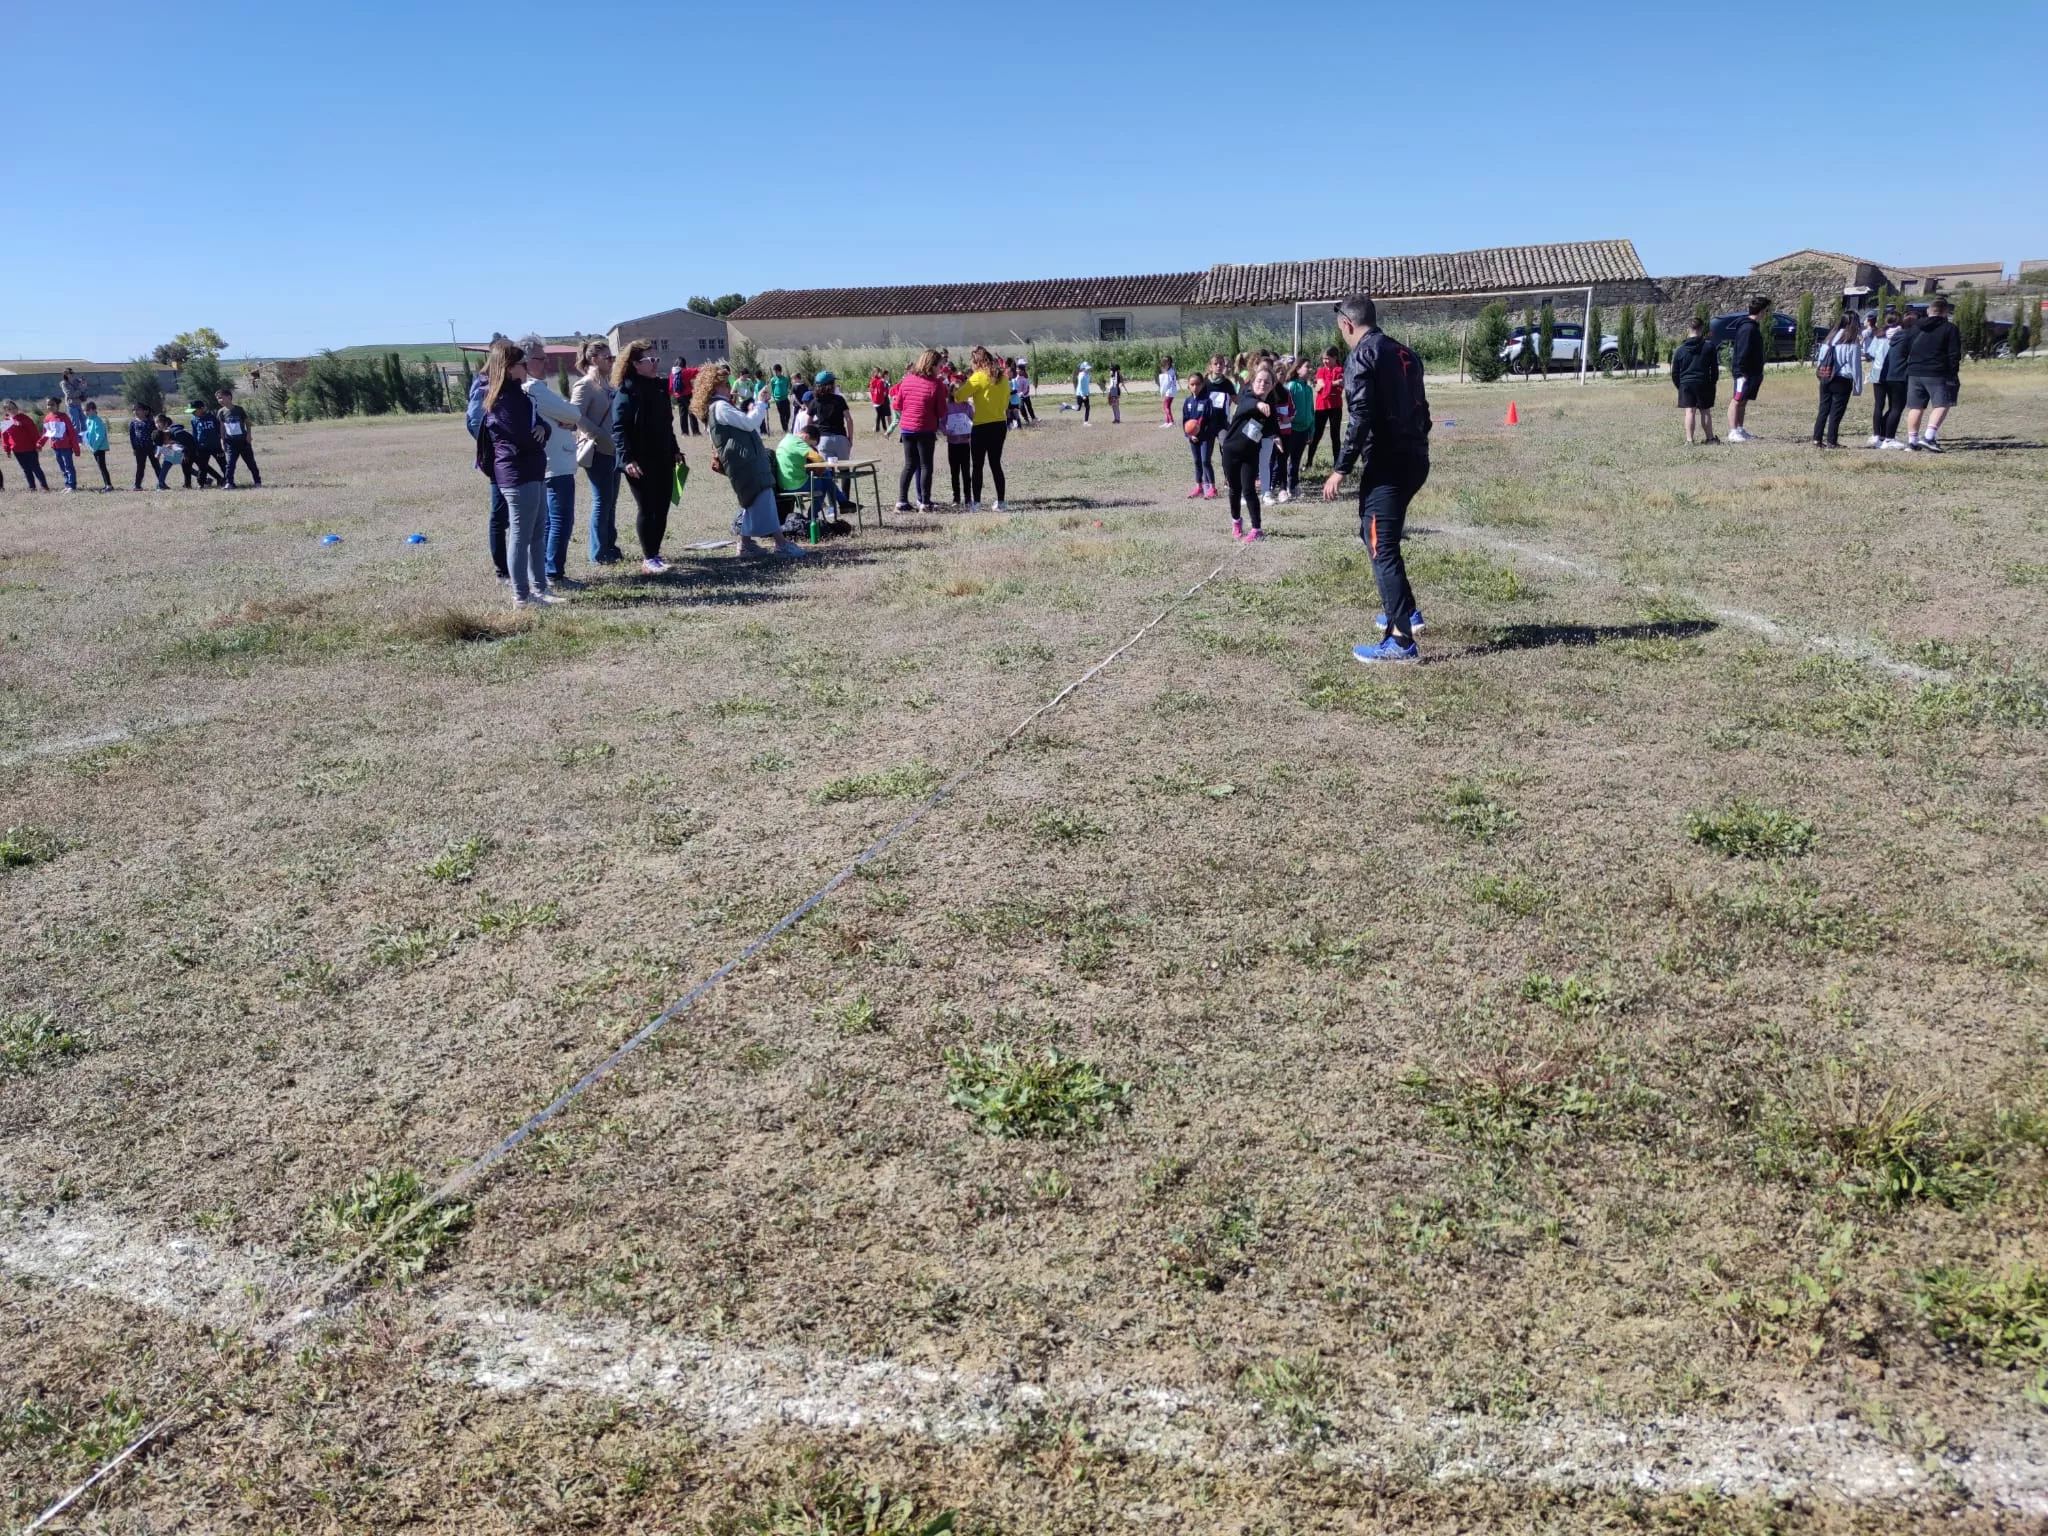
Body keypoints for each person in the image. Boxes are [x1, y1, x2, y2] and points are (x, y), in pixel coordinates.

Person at [1322, 295, 1431, 664]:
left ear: (1347, 324)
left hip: (1388, 464)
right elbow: (1424, 409)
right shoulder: (1405, 353)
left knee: (1379, 544)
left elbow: (1361, 417)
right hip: (1415, 458)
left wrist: (1341, 468)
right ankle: (1407, 612)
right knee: (1376, 537)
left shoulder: (1362, 355)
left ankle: (1401, 640)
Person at [693, 362, 808, 559]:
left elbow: (744, 425)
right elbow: (749, 423)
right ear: (714, 386)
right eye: (725, 384)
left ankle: (746, 544)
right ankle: (781, 544)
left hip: (743, 461)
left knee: (752, 500)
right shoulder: (720, 406)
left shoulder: (717, 407)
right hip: (745, 462)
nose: (729, 387)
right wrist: (761, 403)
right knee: (764, 497)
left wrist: (756, 405)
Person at [476, 342, 557, 607]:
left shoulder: (520, 395)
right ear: (510, 368)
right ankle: (522, 596)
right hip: (517, 474)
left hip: (533, 470)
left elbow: (540, 424)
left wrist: (544, 430)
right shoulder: (502, 400)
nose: (527, 367)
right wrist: (538, 437)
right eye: (523, 364)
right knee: (521, 537)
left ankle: (540, 588)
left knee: (536, 534)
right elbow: (521, 437)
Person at [514, 334, 585, 583]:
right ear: (525, 361)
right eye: (540, 359)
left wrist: (565, 417)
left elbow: (567, 415)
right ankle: (553, 571)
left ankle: (545, 568)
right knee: (560, 520)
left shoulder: (529, 389)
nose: (546, 363)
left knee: (547, 521)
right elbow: (573, 413)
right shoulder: (534, 389)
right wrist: (566, 417)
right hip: (556, 464)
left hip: (548, 464)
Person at [609, 338, 683, 573]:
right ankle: (648, 558)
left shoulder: (660, 387)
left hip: (663, 456)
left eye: (656, 359)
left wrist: (675, 449)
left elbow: (667, 424)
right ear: (635, 364)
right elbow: (619, 429)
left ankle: (656, 554)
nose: (655, 363)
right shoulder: (626, 390)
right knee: (648, 507)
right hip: (639, 460)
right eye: (650, 360)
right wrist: (627, 459)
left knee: (662, 506)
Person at [572, 340, 623, 564]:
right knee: (602, 500)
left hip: (614, 450)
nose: (611, 361)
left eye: (612, 358)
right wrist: (600, 435)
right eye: (607, 358)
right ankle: (598, 553)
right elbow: (576, 416)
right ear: (594, 360)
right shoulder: (584, 385)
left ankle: (610, 546)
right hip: (597, 450)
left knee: (611, 501)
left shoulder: (608, 384)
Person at [1218, 363, 1280, 542]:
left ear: (1272, 385)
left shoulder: (1269, 406)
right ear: (1253, 382)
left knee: (1249, 490)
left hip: (1250, 453)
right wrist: (1258, 404)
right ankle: (1236, 521)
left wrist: (1276, 436)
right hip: (1231, 450)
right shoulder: (1247, 395)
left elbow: (1271, 426)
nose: (1262, 384)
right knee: (1234, 490)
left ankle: (1256, 529)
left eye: (1267, 382)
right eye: (1259, 381)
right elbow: (1246, 405)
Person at [467, 346, 513, 580]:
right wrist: (496, 447)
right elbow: (475, 422)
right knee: (500, 514)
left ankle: (517, 564)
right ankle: (502, 568)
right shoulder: (484, 386)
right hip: (498, 461)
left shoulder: (511, 385)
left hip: (516, 461)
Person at [1903, 296, 1961, 452]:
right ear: (1945, 311)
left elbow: (1906, 347)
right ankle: (1929, 437)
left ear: (1929, 311)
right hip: (1937, 371)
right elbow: (1954, 353)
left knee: (1916, 407)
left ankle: (1912, 441)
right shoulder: (1950, 328)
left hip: (1914, 371)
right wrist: (1953, 371)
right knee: (1943, 403)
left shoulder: (1916, 327)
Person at [890, 349, 946, 511]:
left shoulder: (907, 380)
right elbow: (941, 411)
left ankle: (902, 501)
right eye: (939, 366)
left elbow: (897, 404)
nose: (941, 369)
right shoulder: (936, 384)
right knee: (926, 465)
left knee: (909, 464)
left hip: (907, 429)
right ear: (932, 366)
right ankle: (925, 503)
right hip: (925, 429)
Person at [956, 345, 1010, 511]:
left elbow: (959, 396)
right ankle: (1001, 502)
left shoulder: (978, 377)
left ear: (976, 362)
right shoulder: (1003, 378)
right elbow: (1006, 403)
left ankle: (977, 503)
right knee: (995, 464)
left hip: (981, 426)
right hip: (999, 424)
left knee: (978, 465)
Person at [1810, 310, 1864, 449]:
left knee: (1823, 409)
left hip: (1826, 377)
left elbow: (1821, 360)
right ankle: (1831, 441)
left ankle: (1817, 439)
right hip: (1842, 380)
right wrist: (1858, 386)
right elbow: (1855, 366)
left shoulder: (1829, 339)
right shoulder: (1851, 342)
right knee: (1836, 412)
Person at [1669, 317, 1720, 445]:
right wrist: (1712, 382)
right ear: (1702, 329)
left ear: (1688, 329)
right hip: (1703, 382)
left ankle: (1689, 440)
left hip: (1686, 383)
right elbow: (1714, 369)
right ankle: (1710, 438)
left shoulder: (1680, 350)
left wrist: (1680, 386)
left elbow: (1675, 372)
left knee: (1689, 411)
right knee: (1705, 411)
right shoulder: (1709, 347)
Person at [1727, 296, 1770, 441]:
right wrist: (1741, 372)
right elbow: (1742, 352)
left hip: (1753, 372)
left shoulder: (1754, 327)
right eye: (1766, 311)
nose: (1767, 314)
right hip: (1743, 373)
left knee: (1743, 401)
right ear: (1761, 311)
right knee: (1736, 400)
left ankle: (1740, 429)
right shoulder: (1747, 328)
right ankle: (1732, 431)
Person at [1868, 310, 1911, 449]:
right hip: (1893, 372)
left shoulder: (1880, 334)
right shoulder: (1901, 335)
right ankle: (1888, 435)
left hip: (1877, 372)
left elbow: (1871, 353)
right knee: (1894, 406)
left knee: (1879, 405)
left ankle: (1876, 434)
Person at [1280, 360, 1315, 498]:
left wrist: (1311, 430)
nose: (1310, 369)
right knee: (1284, 458)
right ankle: (1279, 486)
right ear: (1298, 369)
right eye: (1307, 367)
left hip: (1304, 429)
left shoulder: (1309, 389)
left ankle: (1293, 486)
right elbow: (1286, 407)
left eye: (1311, 367)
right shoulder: (1291, 386)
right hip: (1291, 429)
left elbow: (1311, 410)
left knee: (1296, 460)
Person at [215, 387, 260, 487]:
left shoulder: (239, 410)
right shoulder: (221, 412)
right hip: (231, 442)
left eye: (221, 398)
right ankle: (229, 483)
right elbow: (222, 427)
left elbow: (248, 423)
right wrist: (222, 441)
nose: (219, 400)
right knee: (230, 464)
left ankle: (257, 481)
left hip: (243, 441)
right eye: (218, 399)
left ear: (229, 397)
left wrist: (249, 435)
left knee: (251, 463)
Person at [807, 370, 852, 462]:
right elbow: (849, 420)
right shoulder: (839, 399)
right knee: (845, 468)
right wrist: (850, 439)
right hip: (840, 438)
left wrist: (811, 440)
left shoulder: (815, 402)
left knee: (827, 469)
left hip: (823, 439)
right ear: (830, 385)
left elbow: (808, 423)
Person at [5, 403, 51, 489]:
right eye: (9, 409)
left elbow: (34, 432)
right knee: (26, 469)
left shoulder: (25, 418)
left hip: (30, 448)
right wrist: (7, 449)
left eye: (14, 408)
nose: (12, 410)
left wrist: (38, 444)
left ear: (17, 408)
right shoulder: (6, 422)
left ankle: (44, 486)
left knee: (35, 468)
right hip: (17, 450)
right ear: (6, 411)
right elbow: (5, 437)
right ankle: (32, 487)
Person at [41, 398, 82, 491]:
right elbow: (46, 433)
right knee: (62, 467)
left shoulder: (64, 417)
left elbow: (72, 433)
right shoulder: (47, 418)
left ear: (57, 406)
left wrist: (76, 449)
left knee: (68, 466)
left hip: (66, 447)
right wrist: (40, 443)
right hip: (56, 447)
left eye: (52, 404)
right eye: (48, 404)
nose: (50, 406)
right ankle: (67, 485)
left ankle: (72, 486)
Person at [943, 389, 974, 505]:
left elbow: (973, 421)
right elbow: (941, 422)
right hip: (952, 444)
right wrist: (946, 431)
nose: (958, 392)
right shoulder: (947, 406)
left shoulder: (968, 406)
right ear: (951, 392)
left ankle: (968, 498)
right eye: (955, 390)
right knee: (954, 472)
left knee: (966, 472)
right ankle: (956, 498)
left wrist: (970, 432)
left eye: (961, 390)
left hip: (965, 443)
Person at [189, 400, 228, 487]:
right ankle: (201, 483)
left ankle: (228, 481)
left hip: (216, 446)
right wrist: (195, 447)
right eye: (191, 411)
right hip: (202, 447)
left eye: (194, 411)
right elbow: (195, 435)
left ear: (202, 408)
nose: (193, 413)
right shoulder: (193, 420)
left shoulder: (213, 417)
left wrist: (223, 442)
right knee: (202, 466)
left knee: (223, 464)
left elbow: (220, 430)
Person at [79, 401, 113, 490]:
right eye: (84, 410)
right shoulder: (88, 420)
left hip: (99, 447)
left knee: (102, 466)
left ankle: (109, 485)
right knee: (100, 466)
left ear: (94, 410)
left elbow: (100, 435)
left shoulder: (97, 420)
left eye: (87, 410)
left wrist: (95, 446)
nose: (85, 412)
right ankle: (107, 485)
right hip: (94, 447)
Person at [127, 402, 156, 491]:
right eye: (134, 410)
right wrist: (134, 448)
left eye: (138, 410)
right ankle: (137, 485)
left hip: (150, 447)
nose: (136, 412)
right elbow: (132, 437)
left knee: (156, 465)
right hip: (139, 448)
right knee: (140, 467)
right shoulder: (133, 423)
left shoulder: (151, 422)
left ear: (145, 411)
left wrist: (156, 447)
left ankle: (162, 483)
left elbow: (155, 435)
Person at [59, 368, 90, 438]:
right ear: (66, 374)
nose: (72, 374)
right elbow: (71, 394)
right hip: (72, 405)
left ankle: (85, 438)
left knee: (84, 422)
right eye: (70, 373)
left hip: (80, 404)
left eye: (73, 373)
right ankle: (76, 440)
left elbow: (83, 389)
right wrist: (81, 388)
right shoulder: (64, 383)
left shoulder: (76, 381)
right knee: (75, 424)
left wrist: (84, 384)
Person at [768, 363, 792, 432]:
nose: (775, 373)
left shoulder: (785, 379)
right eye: (774, 371)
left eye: (776, 371)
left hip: (785, 399)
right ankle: (785, 429)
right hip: (778, 400)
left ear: (780, 371)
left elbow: (787, 387)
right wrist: (774, 397)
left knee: (788, 414)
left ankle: (786, 425)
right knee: (782, 415)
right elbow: (772, 389)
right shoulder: (773, 380)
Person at [868, 368, 893, 433]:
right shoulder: (878, 381)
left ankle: (882, 428)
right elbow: (879, 391)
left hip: (879, 400)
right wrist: (884, 390)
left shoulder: (877, 380)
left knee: (881, 415)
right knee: (881, 415)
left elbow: (873, 390)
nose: (881, 374)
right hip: (879, 400)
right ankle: (879, 428)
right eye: (880, 372)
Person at [1157, 355, 1178, 428]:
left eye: (1164, 363)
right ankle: (1167, 421)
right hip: (1171, 391)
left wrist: (1162, 390)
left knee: (1165, 406)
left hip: (1170, 391)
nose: (1163, 365)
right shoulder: (1171, 370)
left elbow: (1166, 383)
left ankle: (1171, 421)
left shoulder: (1169, 372)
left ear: (1168, 363)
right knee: (1167, 406)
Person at [1015, 360, 1036, 424]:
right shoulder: (1016, 377)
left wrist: (1023, 393)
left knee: (1029, 407)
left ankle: (1033, 418)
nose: (1025, 366)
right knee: (1021, 407)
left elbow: (1026, 388)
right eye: (1024, 365)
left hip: (1025, 395)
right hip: (1019, 395)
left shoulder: (1025, 377)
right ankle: (1026, 419)